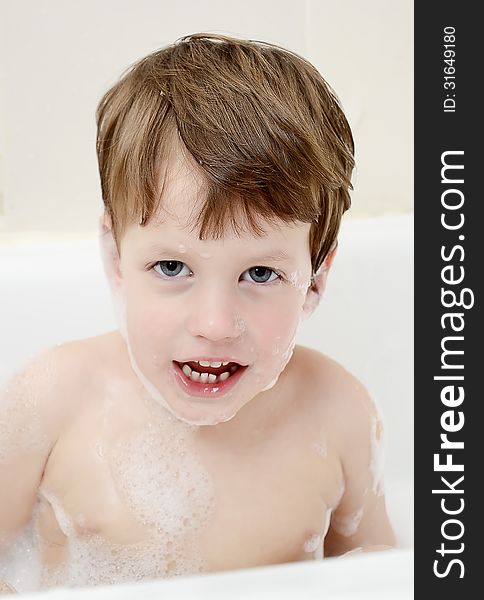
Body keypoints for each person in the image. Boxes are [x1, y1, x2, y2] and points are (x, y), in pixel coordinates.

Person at [0, 32, 395, 593]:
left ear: (316, 279)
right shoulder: (53, 400)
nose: (213, 324)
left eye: (260, 274)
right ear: (115, 255)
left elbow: (382, 577)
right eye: (171, 267)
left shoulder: (339, 416)